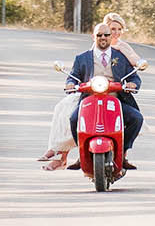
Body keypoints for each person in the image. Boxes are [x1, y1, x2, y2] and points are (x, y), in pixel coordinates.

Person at [38, 13, 143, 170]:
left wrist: (133, 84)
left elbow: (134, 77)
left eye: (107, 35)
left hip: (116, 99)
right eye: (99, 35)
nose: (104, 37)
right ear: (93, 37)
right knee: (73, 119)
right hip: (89, 99)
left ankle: (123, 152)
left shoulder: (121, 56)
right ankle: (82, 154)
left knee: (136, 118)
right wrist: (70, 84)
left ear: (110, 37)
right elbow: (73, 76)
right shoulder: (83, 58)